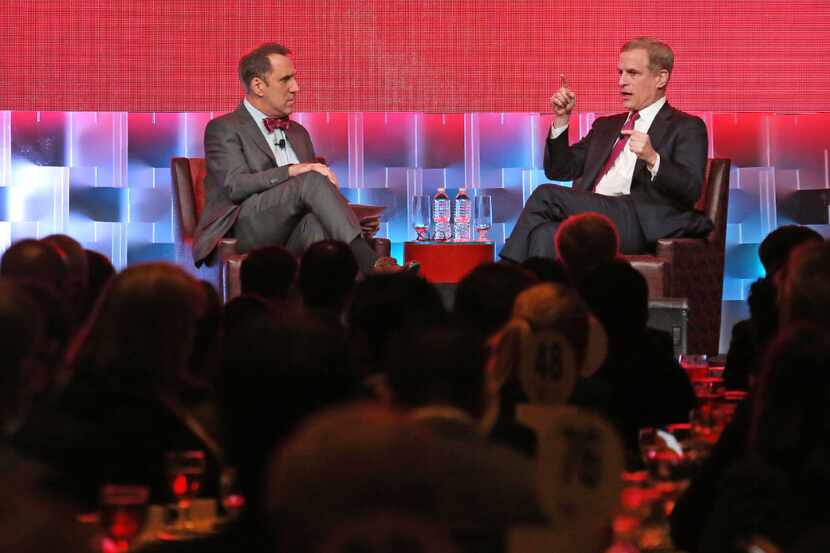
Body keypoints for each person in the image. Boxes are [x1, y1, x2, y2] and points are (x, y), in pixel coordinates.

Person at [192, 43, 406, 274]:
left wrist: (354, 218)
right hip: (245, 230)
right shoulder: (223, 128)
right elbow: (235, 185)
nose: (296, 87)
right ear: (258, 85)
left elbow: (313, 196)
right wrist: (293, 170)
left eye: (294, 78)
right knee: (311, 178)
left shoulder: (298, 133)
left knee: (321, 231)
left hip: (295, 232)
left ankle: (336, 305)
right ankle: (372, 265)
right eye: (285, 80)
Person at [500, 37, 711, 263]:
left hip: (639, 221)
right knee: (545, 234)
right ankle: (545, 297)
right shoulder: (606, 126)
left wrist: (653, 159)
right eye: (620, 73)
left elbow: (691, 189)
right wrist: (561, 120)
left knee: (546, 194)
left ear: (660, 78)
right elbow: (559, 170)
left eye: (632, 73)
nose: (622, 81)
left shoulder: (686, 126)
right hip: (594, 211)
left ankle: (504, 276)